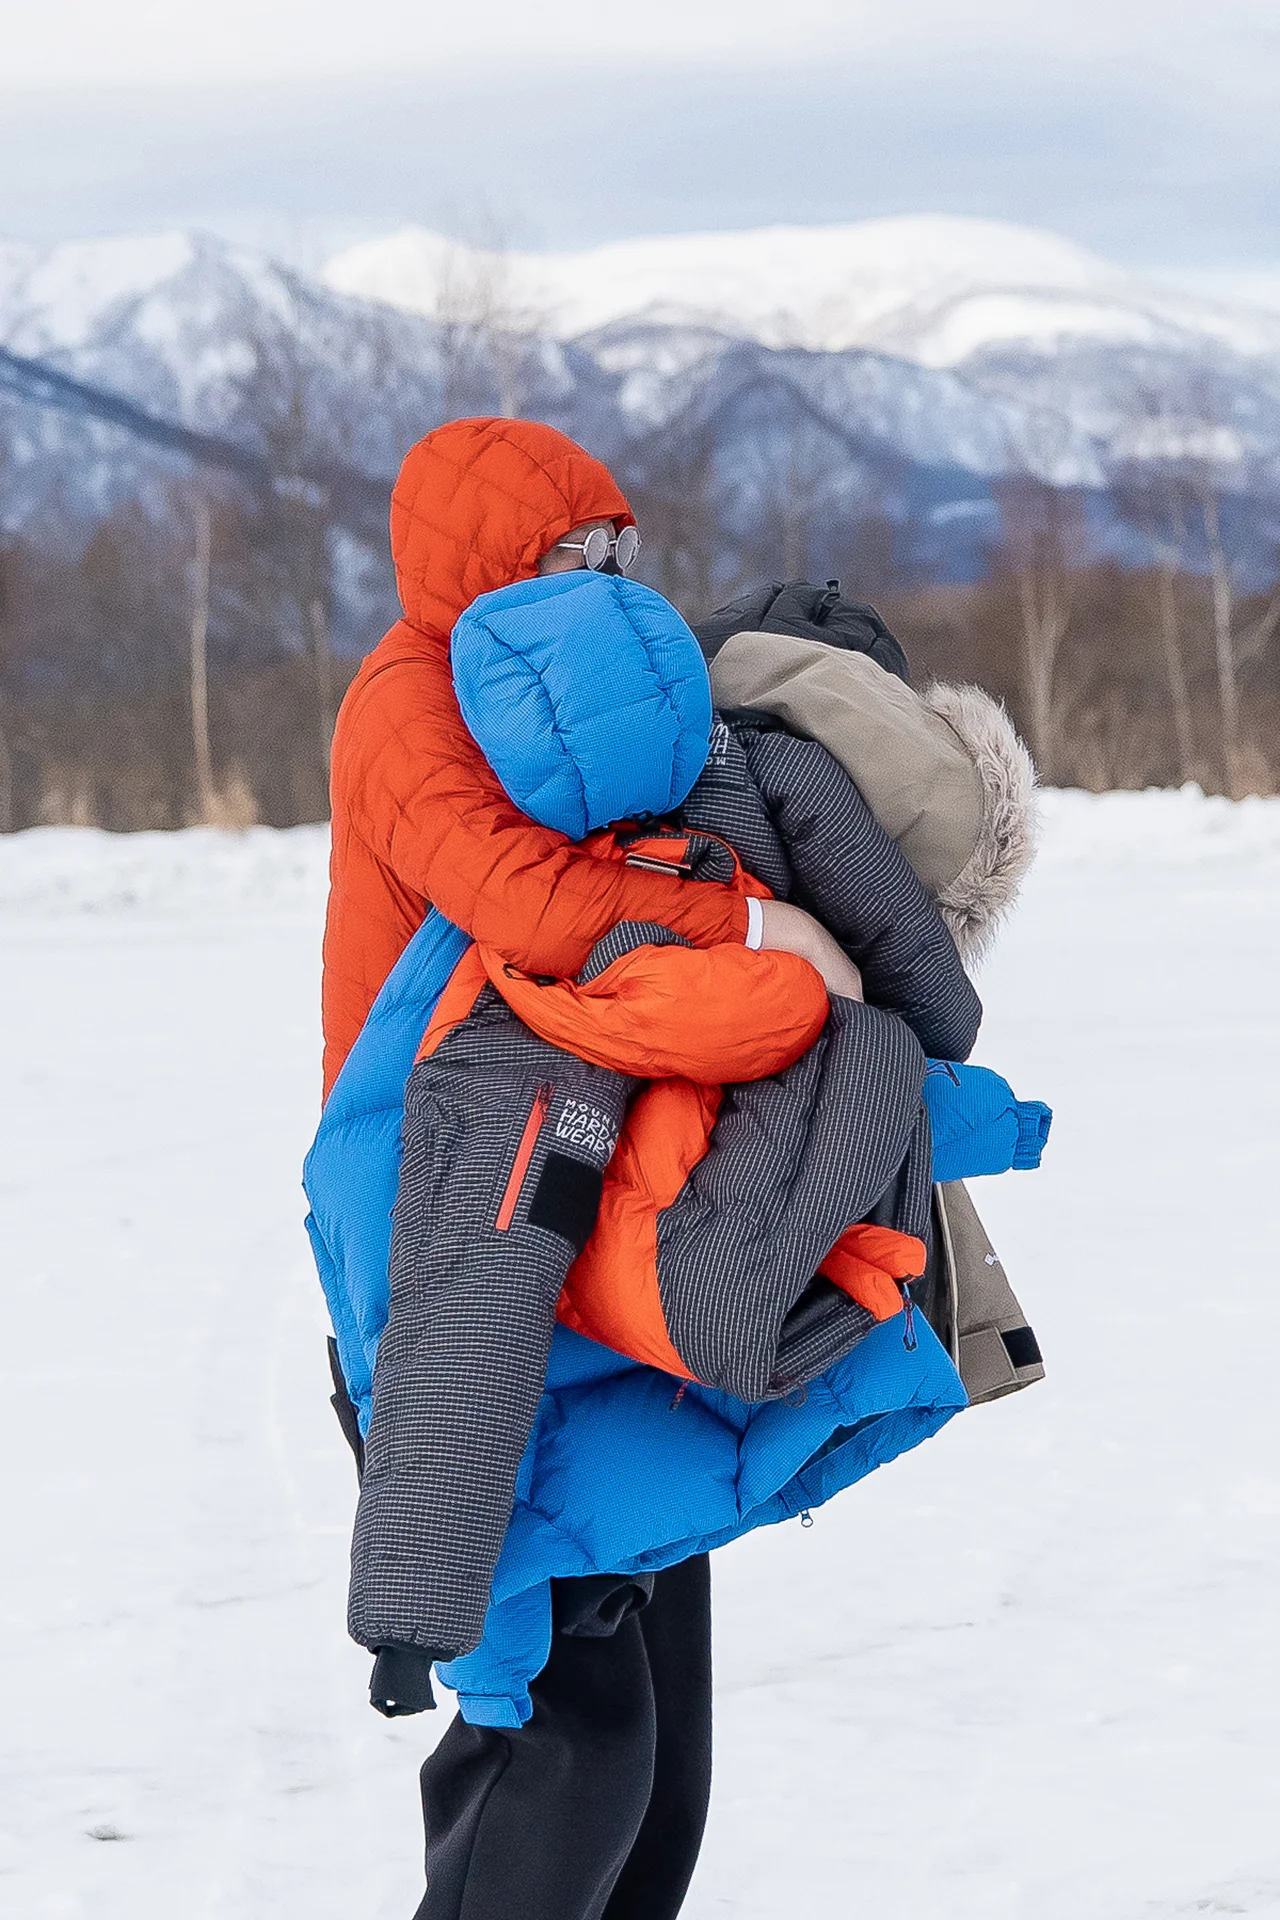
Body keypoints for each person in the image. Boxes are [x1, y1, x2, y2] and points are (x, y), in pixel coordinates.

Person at [320, 418, 872, 1920]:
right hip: (459, 1204)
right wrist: (753, 935)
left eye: (621, 547)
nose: (612, 573)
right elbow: (525, 900)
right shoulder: (412, 703)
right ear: (491, 561)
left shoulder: (554, 680)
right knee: (566, 1732)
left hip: (606, 1196)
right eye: (580, 552)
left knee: (663, 1750)